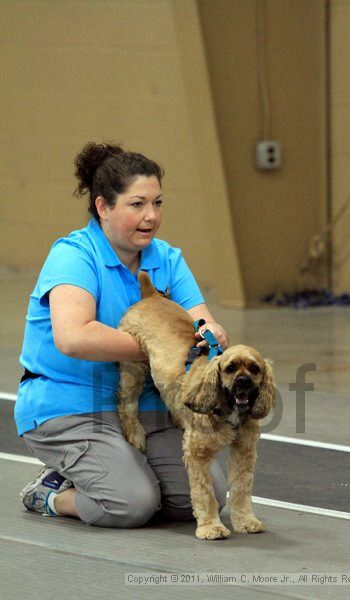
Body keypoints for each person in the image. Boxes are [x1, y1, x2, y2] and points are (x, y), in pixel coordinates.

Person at [15, 142, 229, 528]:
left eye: (158, 203)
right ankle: (52, 493)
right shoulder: (73, 256)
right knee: (130, 504)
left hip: (147, 407)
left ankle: (119, 468)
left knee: (206, 498)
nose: (151, 216)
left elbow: (202, 326)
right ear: (102, 207)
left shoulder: (167, 258)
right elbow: (74, 338)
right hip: (72, 406)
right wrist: (162, 341)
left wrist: (211, 335)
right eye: (137, 205)